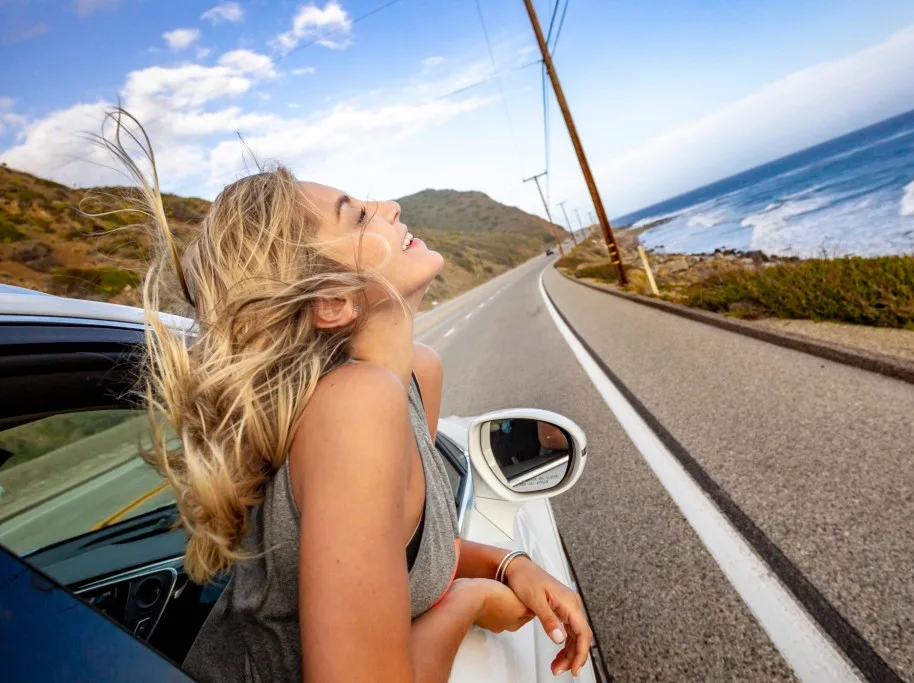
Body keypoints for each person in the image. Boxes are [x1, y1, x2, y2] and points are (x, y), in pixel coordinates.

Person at [98, 109, 591, 682]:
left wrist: (510, 564)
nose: (391, 207)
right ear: (333, 303)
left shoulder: (414, 375)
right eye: (357, 216)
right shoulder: (354, 406)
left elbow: (414, 556)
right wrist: (470, 602)